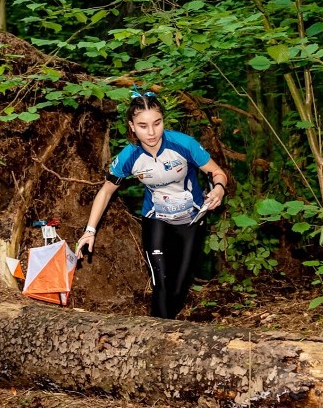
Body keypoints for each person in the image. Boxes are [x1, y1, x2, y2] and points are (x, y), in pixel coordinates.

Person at [76, 89, 228, 319]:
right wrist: (90, 231)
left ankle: (166, 329)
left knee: (179, 286)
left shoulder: (183, 144)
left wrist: (218, 189)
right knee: (161, 283)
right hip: (156, 220)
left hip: (192, 218)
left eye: (157, 123)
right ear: (132, 126)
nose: (151, 132)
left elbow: (217, 173)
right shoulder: (129, 156)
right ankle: (159, 335)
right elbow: (105, 192)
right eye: (143, 126)